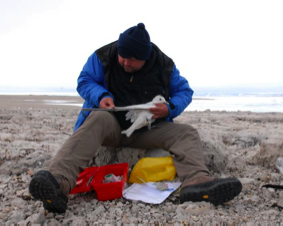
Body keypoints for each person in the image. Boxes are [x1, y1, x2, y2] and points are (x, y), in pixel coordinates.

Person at [29, 23, 242, 213]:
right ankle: (59, 182)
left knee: (186, 133)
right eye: (123, 56)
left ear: (146, 57)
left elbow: (184, 91)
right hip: (111, 125)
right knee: (95, 118)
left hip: (149, 128)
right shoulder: (104, 55)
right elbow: (85, 80)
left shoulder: (163, 65)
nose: (126, 62)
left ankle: (196, 183)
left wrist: (169, 109)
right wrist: (101, 96)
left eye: (133, 59)